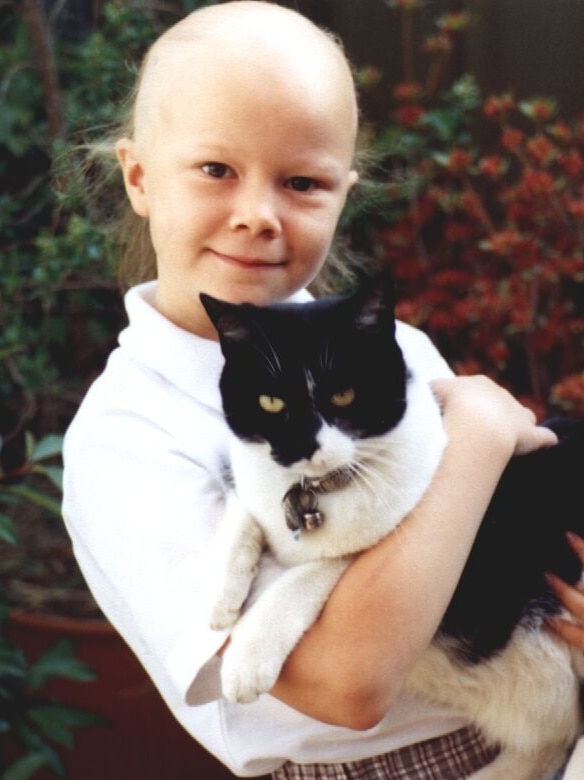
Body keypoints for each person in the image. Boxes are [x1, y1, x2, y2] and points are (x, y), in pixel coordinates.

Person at [62, 2, 577, 777]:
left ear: (344, 193)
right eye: (216, 170)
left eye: (302, 182)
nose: (258, 216)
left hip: (543, 728)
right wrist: (476, 423)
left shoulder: (388, 347)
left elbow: (499, 543)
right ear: (139, 176)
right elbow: (348, 684)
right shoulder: (129, 438)